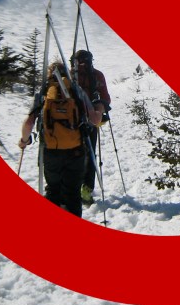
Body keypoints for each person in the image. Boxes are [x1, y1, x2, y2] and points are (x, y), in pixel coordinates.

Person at [18, 61, 96, 218]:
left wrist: (23, 141)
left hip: (51, 150)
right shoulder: (76, 90)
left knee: (53, 191)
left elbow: (29, 122)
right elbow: (93, 119)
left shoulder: (44, 92)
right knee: (73, 193)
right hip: (76, 151)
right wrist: (99, 107)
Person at [71, 49, 111, 206]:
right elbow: (106, 98)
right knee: (90, 154)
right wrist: (99, 110)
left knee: (70, 153)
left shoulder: (69, 75)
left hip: (69, 121)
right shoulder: (97, 75)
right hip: (91, 120)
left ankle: (70, 187)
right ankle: (86, 191)